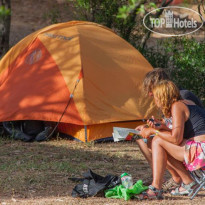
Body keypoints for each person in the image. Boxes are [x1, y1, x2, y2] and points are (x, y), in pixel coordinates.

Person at [135, 68, 204, 192]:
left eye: (155, 96)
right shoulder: (183, 102)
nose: (154, 101)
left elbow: (176, 138)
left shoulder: (177, 105)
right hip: (198, 147)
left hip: (201, 151)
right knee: (157, 140)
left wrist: (153, 131)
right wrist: (161, 127)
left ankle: (156, 187)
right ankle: (188, 182)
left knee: (157, 141)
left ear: (162, 96)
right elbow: (185, 128)